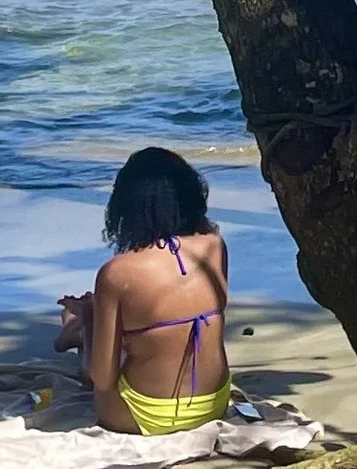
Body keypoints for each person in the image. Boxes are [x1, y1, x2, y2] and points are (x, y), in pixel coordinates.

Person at [55, 146, 232, 434]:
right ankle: (77, 329)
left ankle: (78, 327)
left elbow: (100, 378)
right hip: (213, 407)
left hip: (144, 417)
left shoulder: (118, 273)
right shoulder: (213, 245)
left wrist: (91, 320)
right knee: (148, 336)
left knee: (108, 356)